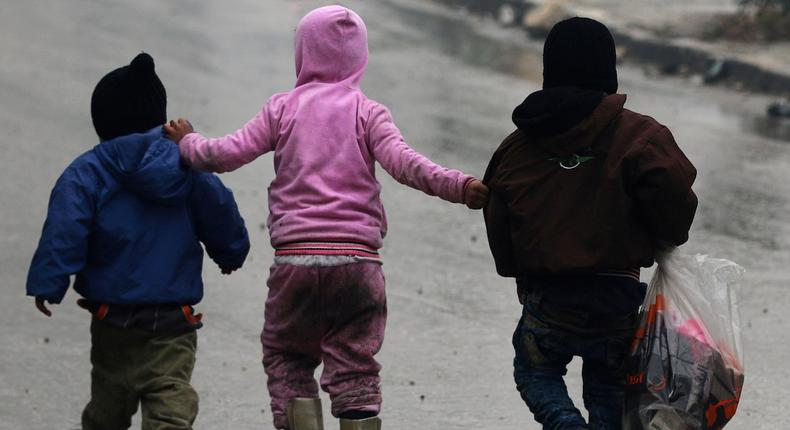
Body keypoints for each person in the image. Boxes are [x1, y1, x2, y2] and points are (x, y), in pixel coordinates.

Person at [164, 5, 489, 429]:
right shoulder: (369, 113)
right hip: (357, 266)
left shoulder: (282, 109)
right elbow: (407, 165)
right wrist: (460, 186)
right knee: (355, 369)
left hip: (295, 263)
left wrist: (188, 142)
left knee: (288, 356)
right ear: (360, 58)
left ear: (303, 53)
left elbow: (224, 154)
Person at [483, 17, 698, 430]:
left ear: (550, 71)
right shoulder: (641, 137)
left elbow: (497, 210)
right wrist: (660, 236)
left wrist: (515, 269)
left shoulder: (517, 147)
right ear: (608, 71)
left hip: (548, 297)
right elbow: (673, 204)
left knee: (535, 370)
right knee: (609, 390)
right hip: (617, 297)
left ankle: (564, 424)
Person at [26, 53, 250, 430]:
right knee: (170, 402)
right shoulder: (187, 166)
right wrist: (230, 251)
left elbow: (66, 228)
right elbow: (218, 209)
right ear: (158, 117)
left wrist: (49, 282)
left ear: (103, 122)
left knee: (107, 407)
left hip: (112, 319)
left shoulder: (87, 172)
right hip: (172, 323)